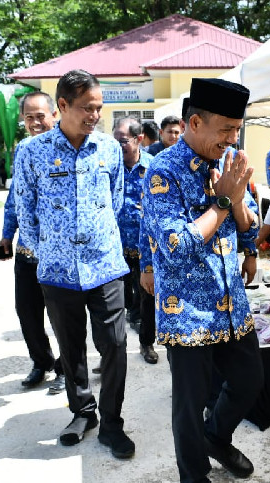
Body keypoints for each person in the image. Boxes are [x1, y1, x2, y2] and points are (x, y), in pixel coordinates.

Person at [141, 77, 263, 483]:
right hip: (185, 309)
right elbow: (174, 245)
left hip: (232, 300)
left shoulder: (232, 161)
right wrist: (220, 199)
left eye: (237, 129)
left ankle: (218, 437)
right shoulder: (163, 171)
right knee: (188, 407)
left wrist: (239, 209)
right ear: (195, 122)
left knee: (251, 380)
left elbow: (250, 228)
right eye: (226, 129)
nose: (233, 139)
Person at [14, 69, 135, 459]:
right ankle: (83, 412)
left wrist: (99, 239)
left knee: (115, 344)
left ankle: (112, 422)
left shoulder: (109, 149)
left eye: (99, 108)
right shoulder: (32, 152)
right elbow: (25, 208)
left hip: (105, 266)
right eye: (87, 108)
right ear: (62, 105)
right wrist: (45, 249)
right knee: (71, 348)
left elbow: (114, 202)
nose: (95, 115)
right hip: (58, 271)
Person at [0, 91, 65, 392]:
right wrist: (5, 235)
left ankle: (67, 367)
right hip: (27, 252)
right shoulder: (23, 150)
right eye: (29, 117)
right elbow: (15, 199)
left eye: (41, 115)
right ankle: (42, 362)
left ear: (54, 114)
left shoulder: (67, 148)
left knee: (61, 316)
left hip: (58, 253)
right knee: (27, 312)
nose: (36, 122)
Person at [113, 116, 158, 364]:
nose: (119, 146)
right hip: (116, 250)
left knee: (148, 301)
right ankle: (111, 352)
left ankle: (147, 343)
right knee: (112, 306)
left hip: (145, 251)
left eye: (123, 141)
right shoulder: (109, 167)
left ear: (139, 139)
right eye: (115, 141)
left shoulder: (154, 168)